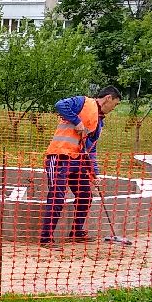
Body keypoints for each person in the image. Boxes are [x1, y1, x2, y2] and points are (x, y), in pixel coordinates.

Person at [40, 86, 122, 246]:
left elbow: (91, 150)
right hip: (60, 157)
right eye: (116, 104)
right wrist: (77, 122)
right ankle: (46, 238)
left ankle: (76, 232)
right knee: (57, 196)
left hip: (78, 162)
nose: (114, 108)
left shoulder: (99, 122)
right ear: (108, 98)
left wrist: (94, 174)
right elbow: (59, 105)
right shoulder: (83, 102)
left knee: (85, 195)